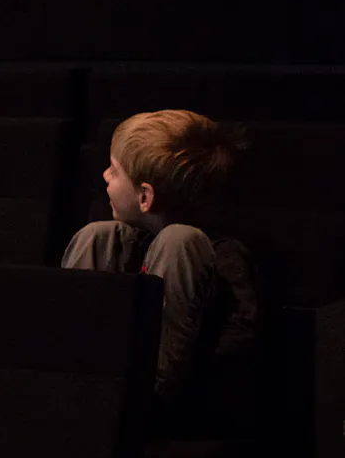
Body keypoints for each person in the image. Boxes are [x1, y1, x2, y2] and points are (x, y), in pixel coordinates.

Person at [62, 109, 257, 436]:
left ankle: (133, 404)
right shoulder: (121, 240)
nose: (106, 176)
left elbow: (237, 341)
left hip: (168, 403)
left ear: (144, 197)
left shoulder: (218, 253)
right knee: (98, 233)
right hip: (96, 387)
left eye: (115, 170)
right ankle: (65, 384)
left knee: (180, 240)